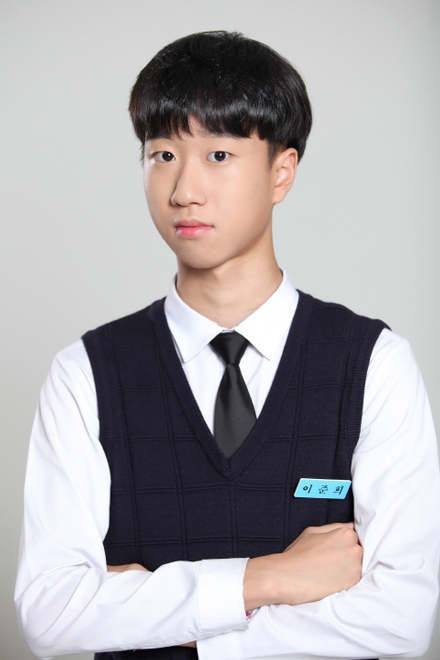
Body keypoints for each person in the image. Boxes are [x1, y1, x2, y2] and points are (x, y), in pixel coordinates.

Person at [15, 30, 440, 660]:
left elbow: (401, 620)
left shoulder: (374, 364)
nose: (184, 189)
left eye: (218, 155)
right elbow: (49, 616)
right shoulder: (85, 374)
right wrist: (264, 579)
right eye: (163, 154)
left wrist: (160, 623)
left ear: (281, 172)